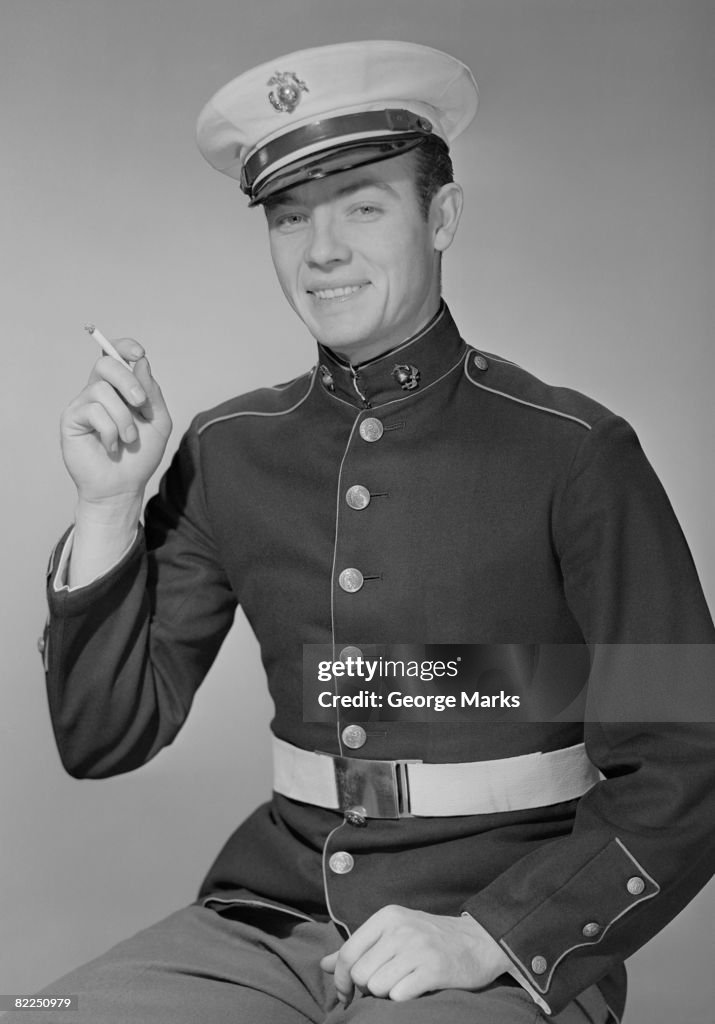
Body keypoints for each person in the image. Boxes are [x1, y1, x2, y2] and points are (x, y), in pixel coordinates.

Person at [36, 40, 714, 1024]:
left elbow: (687, 753)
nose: (321, 251)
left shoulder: (575, 452)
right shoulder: (229, 449)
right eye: (290, 216)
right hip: (270, 917)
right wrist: (106, 506)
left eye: (362, 205)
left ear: (441, 216)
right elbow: (104, 735)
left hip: (491, 929)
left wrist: (489, 936)